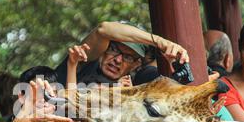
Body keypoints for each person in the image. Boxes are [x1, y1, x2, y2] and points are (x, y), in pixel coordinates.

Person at [55, 21, 189, 87]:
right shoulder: (82, 61)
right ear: (104, 48)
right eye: (114, 49)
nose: (118, 60)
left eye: (128, 57)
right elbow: (103, 29)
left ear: (136, 64)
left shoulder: (133, 86)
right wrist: (160, 42)